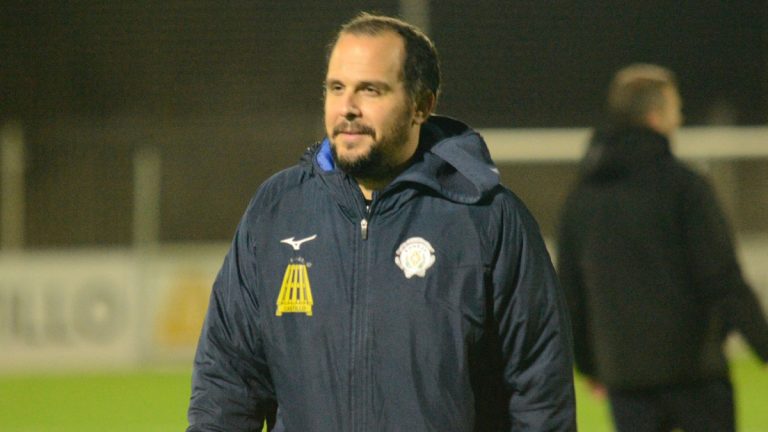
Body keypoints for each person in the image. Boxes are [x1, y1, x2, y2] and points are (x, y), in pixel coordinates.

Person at [187, 12, 576, 432]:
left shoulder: (487, 218)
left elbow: (540, 392)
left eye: (370, 90)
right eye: (337, 88)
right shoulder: (277, 208)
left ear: (421, 105)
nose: (348, 108)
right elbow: (227, 380)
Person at [556, 63, 768, 432]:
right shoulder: (686, 188)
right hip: (696, 377)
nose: (680, 117)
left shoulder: (581, 199)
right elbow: (722, 280)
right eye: (677, 108)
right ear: (656, 116)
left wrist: (591, 365)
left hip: (626, 382)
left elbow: (571, 294)